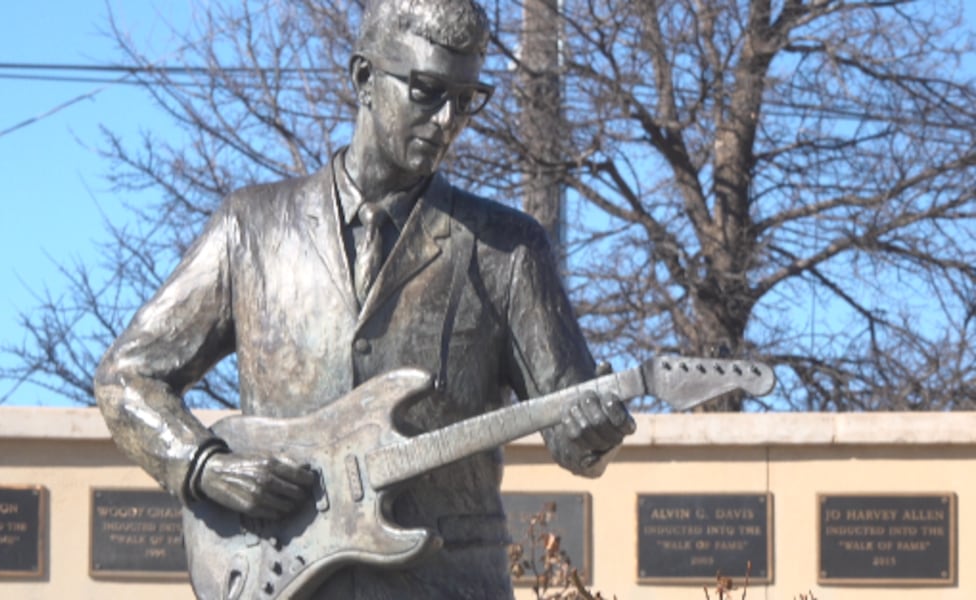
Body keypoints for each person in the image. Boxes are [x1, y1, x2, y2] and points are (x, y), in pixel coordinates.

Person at [94, 0, 636, 597]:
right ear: (363, 79)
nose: (449, 118)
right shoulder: (250, 227)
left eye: (468, 97)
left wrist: (594, 430)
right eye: (427, 90)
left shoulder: (509, 249)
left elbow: (570, 434)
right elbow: (127, 376)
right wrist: (203, 467)